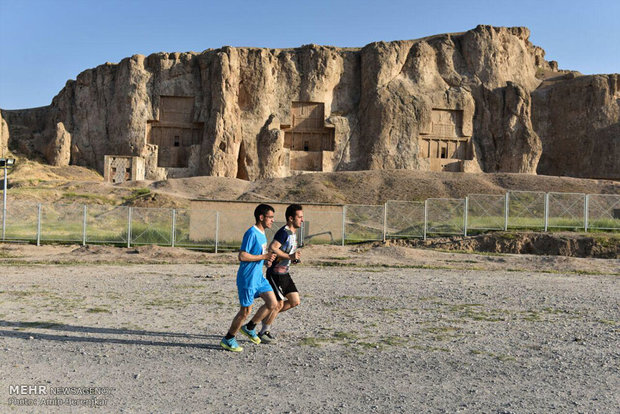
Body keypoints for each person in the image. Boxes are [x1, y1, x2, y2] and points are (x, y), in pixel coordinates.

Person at [220, 203, 278, 352]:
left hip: (259, 277)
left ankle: (250, 327)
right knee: (245, 311)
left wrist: (266, 261)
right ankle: (228, 338)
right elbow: (242, 255)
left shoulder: (262, 233)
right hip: (248, 278)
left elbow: (257, 256)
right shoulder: (251, 233)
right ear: (261, 217)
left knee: (273, 303)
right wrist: (263, 256)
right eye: (270, 217)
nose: (272, 220)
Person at [258, 204, 303, 343]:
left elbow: (284, 252)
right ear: (291, 218)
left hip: (285, 273)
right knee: (277, 304)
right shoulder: (284, 232)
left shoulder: (292, 233)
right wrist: (289, 257)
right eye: (299, 217)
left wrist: (292, 258)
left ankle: (266, 314)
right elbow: (273, 247)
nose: (302, 220)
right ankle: (263, 330)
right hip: (276, 273)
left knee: (295, 301)